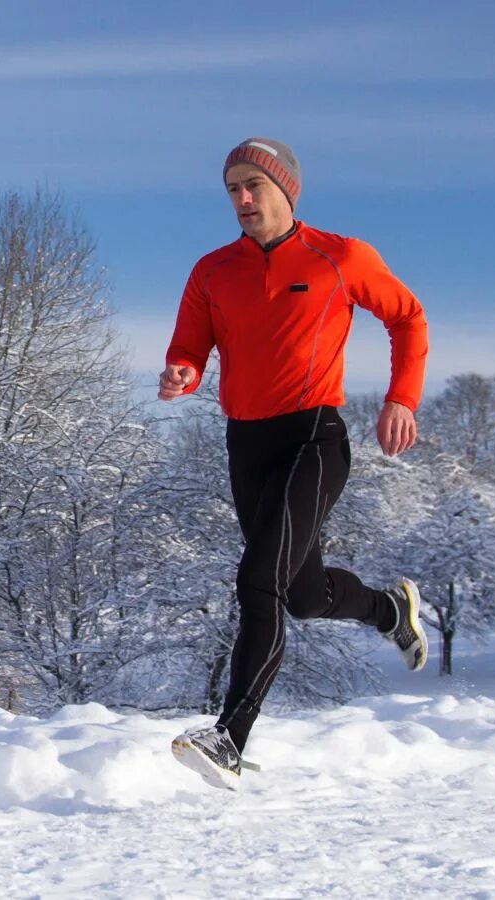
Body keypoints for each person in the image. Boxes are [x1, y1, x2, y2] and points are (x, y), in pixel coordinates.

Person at [158, 137, 430, 790]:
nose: (243, 200)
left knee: (259, 578)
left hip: (313, 438)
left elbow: (409, 318)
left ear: (286, 189)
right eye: (232, 189)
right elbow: (190, 346)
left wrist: (401, 399)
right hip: (245, 445)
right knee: (302, 594)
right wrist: (183, 373)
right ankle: (389, 610)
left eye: (255, 185)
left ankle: (230, 737)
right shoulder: (212, 271)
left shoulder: (340, 256)